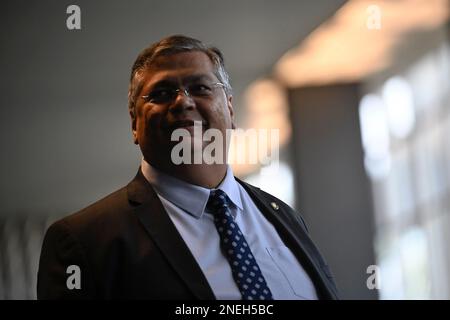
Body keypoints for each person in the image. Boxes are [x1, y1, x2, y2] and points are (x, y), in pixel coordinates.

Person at [37, 35, 338, 300]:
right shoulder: (83, 241)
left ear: (230, 110)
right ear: (134, 123)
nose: (183, 102)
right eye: (162, 93)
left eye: (200, 87)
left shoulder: (284, 217)